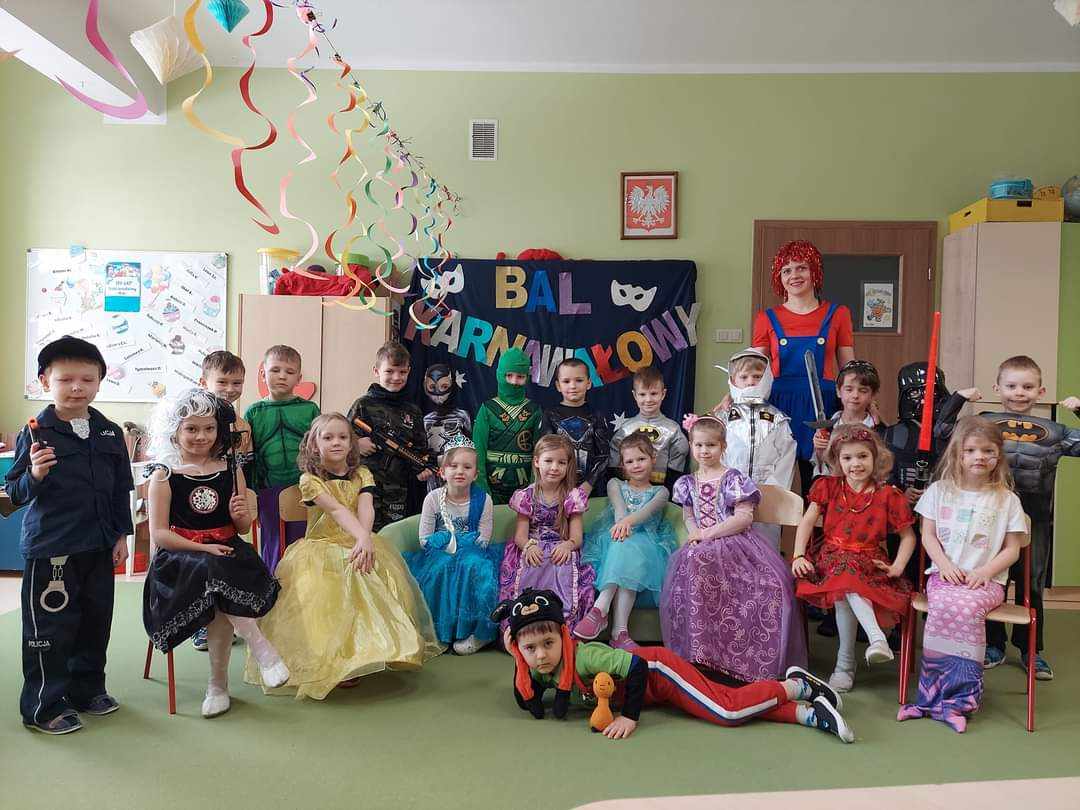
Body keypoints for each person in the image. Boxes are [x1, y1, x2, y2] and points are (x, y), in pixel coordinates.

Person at [245, 413, 442, 700]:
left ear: (352, 443)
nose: (336, 442)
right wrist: (362, 538)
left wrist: (365, 538)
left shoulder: (362, 474)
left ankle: (368, 651)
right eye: (328, 438)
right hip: (321, 545)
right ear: (314, 445)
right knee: (332, 585)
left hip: (359, 539)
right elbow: (336, 510)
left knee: (372, 572)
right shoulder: (310, 480)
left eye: (342, 437)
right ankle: (337, 659)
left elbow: (366, 507)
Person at [494, 589, 854, 743]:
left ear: (563, 636)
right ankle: (807, 713)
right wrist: (518, 661)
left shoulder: (585, 656)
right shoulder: (536, 667)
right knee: (721, 699)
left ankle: (797, 686)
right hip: (657, 693)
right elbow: (528, 703)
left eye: (548, 644)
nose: (541, 655)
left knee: (726, 711)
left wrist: (629, 717)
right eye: (530, 649)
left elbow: (636, 668)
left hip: (656, 671)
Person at [5, 337, 134, 734]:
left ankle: (87, 690)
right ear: (46, 381)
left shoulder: (109, 432)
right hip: (53, 548)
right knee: (49, 629)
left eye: (87, 379)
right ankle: (43, 706)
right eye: (65, 380)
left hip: (98, 545)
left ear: (99, 382)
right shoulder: (35, 432)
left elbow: (120, 490)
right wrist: (35, 474)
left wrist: (121, 535)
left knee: (95, 622)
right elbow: (14, 493)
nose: (77, 388)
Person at [143, 389, 287, 719]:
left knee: (218, 582)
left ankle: (218, 685)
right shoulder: (164, 474)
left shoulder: (230, 469)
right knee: (213, 572)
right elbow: (160, 535)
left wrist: (240, 515)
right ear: (174, 431)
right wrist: (203, 547)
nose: (201, 436)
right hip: (180, 559)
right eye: (191, 429)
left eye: (209, 428)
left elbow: (242, 529)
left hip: (226, 552)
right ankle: (258, 651)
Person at [897, 416, 1027, 733]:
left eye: (987, 451)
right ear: (958, 454)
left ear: (998, 455)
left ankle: (960, 701)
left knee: (967, 610)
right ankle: (929, 698)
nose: (979, 457)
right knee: (943, 606)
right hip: (944, 575)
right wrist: (944, 565)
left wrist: (984, 572)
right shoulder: (939, 491)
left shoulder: (1007, 500)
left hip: (987, 581)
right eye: (970, 450)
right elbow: (927, 536)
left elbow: (1013, 549)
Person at [660, 415, 806, 682]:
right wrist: (695, 534)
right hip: (702, 545)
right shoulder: (687, 483)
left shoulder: (733, 479)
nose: (704, 451)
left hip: (737, 543)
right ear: (691, 446)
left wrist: (708, 534)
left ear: (723, 446)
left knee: (771, 587)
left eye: (711, 445)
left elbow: (743, 518)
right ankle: (702, 656)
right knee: (694, 568)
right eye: (699, 445)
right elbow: (688, 516)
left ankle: (745, 661)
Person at [792, 424, 916, 692]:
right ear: (837, 460)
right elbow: (807, 521)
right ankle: (876, 639)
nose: (855, 464)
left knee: (846, 590)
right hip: (830, 557)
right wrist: (798, 555)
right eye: (847, 458)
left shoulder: (888, 495)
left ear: (876, 458)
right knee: (845, 575)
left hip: (869, 560)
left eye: (862, 456)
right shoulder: (828, 486)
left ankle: (845, 664)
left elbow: (908, 537)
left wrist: (898, 565)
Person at [978, 355, 1080, 680]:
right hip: (989, 517)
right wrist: (956, 401)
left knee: (1032, 584)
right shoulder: (983, 424)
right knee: (992, 580)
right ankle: (993, 644)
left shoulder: (1056, 431)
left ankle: (1031, 649)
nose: (1019, 393)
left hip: (1034, 518)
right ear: (998, 388)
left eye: (1027, 386)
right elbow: (942, 434)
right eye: (1011, 386)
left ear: (1040, 391)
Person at [746, 240, 855, 494]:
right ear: (779, 278)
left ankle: (817, 522)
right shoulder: (766, 318)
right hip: (778, 405)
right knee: (774, 481)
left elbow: (848, 368)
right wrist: (731, 395)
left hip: (822, 407)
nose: (794, 275)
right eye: (786, 270)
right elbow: (753, 368)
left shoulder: (838, 313)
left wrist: (861, 399)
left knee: (819, 481)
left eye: (801, 268)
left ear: (814, 271)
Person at [577, 434, 677, 648]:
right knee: (624, 547)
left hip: (647, 543)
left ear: (653, 458)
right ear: (622, 465)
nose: (636, 465)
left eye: (641, 459)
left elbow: (645, 513)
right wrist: (623, 524)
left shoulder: (661, 491)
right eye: (630, 461)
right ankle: (619, 632)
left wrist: (626, 524)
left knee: (630, 549)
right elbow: (619, 508)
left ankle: (600, 610)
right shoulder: (615, 484)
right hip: (615, 536)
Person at [405, 436, 501, 655]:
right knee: (440, 569)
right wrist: (446, 541)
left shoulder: (483, 500)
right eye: (453, 466)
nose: (460, 471)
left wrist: (462, 546)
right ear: (442, 472)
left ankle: (478, 633)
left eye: (467, 467)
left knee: (477, 569)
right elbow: (424, 539)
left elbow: (484, 539)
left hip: (473, 552)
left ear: (475, 474)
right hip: (440, 553)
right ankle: (439, 633)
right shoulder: (432, 498)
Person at [497, 435, 596, 635]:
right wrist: (529, 546)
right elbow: (520, 536)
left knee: (562, 566)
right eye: (548, 461)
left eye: (561, 462)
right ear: (536, 462)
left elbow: (576, 538)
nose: (554, 467)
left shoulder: (572, 496)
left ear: (568, 465)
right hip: (533, 545)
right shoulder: (526, 495)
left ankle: (561, 629)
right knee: (532, 566)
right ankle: (524, 625)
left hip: (562, 547)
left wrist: (567, 545)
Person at [193, 349, 252, 652]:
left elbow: (242, 466)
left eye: (237, 383)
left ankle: (226, 620)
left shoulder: (242, 425)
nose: (230, 389)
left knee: (231, 562)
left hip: (227, 504)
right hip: (194, 505)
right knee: (202, 566)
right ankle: (201, 624)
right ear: (203, 382)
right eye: (223, 382)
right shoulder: (189, 418)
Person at [244, 345, 320, 572]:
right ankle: (274, 587)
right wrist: (250, 492)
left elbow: (319, 450)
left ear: (299, 378)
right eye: (275, 370)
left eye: (289, 371)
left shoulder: (309, 409)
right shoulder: (254, 412)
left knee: (305, 544)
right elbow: (248, 457)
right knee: (273, 545)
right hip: (268, 490)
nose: (282, 376)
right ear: (263, 374)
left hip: (305, 489)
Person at [712, 347, 796, 550]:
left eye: (757, 377)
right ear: (733, 380)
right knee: (730, 547)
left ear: (766, 379)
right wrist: (723, 485)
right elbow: (715, 453)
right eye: (744, 377)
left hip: (766, 495)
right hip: (729, 495)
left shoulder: (778, 420)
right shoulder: (724, 418)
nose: (750, 382)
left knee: (764, 548)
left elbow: (786, 456)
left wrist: (772, 490)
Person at [347, 341, 433, 530]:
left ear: (409, 372)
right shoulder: (363, 405)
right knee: (364, 532)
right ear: (376, 371)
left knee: (393, 535)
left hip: (398, 489)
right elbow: (340, 439)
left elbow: (420, 448)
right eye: (389, 371)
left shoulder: (413, 411)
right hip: (364, 486)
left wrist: (422, 468)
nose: (396, 377)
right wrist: (356, 444)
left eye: (402, 372)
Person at [474, 347, 543, 505]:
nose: (514, 382)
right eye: (509, 375)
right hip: (492, 490)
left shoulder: (534, 410)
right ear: (500, 374)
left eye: (520, 377)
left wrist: (534, 490)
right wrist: (483, 491)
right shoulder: (487, 409)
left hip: (525, 492)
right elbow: (478, 452)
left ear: (527, 378)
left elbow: (539, 453)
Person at [608, 366, 689, 492]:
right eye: (642, 394)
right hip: (628, 490)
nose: (648, 399)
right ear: (635, 395)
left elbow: (676, 469)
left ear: (663, 394)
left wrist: (667, 493)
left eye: (653, 393)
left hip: (661, 490)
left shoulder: (672, 430)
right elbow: (614, 466)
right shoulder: (625, 429)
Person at [540, 357, 611, 496]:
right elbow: (545, 453)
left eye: (579, 380)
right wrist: (555, 483)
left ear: (588, 383)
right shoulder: (550, 415)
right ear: (558, 385)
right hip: (558, 487)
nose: (573, 386)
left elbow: (604, 455)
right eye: (566, 381)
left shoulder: (596, 416)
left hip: (592, 489)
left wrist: (589, 484)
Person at [810, 359, 881, 478]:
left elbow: (882, 470)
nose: (855, 395)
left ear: (872, 395)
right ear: (838, 391)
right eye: (849, 389)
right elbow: (820, 470)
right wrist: (820, 451)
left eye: (863, 391)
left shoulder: (880, 431)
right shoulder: (827, 429)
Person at [420, 362, 472, 492]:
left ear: (452, 384)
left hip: (459, 476)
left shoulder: (462, 416)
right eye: (432, 387)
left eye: (444, 386)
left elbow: (470, 446)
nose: (438, 392)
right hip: (433, 477)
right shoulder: (426, 420)